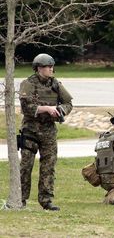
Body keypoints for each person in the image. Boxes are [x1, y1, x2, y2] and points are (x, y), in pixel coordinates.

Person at [18, 53, 73, 211]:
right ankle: (21, 199)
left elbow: (68, 103)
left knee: (48, 167)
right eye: (47, 67)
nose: (50, 69)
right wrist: (46, 109)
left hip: (49, 132)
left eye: (51, 66)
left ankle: (46, 200)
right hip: (31, 131)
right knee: (26, 166)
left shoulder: (55, 84)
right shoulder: (28, 83)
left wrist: (60, 109)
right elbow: (26, 107)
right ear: (39, 68)